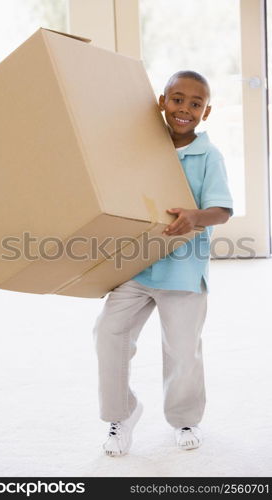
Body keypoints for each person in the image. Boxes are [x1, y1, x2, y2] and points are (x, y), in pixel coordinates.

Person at [92, 70, 233, 456]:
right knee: (109, 332)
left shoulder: (209, 155)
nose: (185, 109)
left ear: (207, 112)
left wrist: (195, 216)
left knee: (182, 349)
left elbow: (221, 211)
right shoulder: (141, 146)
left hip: (182, 271)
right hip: (136, 267)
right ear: (161, 101)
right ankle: (122, 414)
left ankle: (185, 418)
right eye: (177, 99)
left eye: (195, 103)